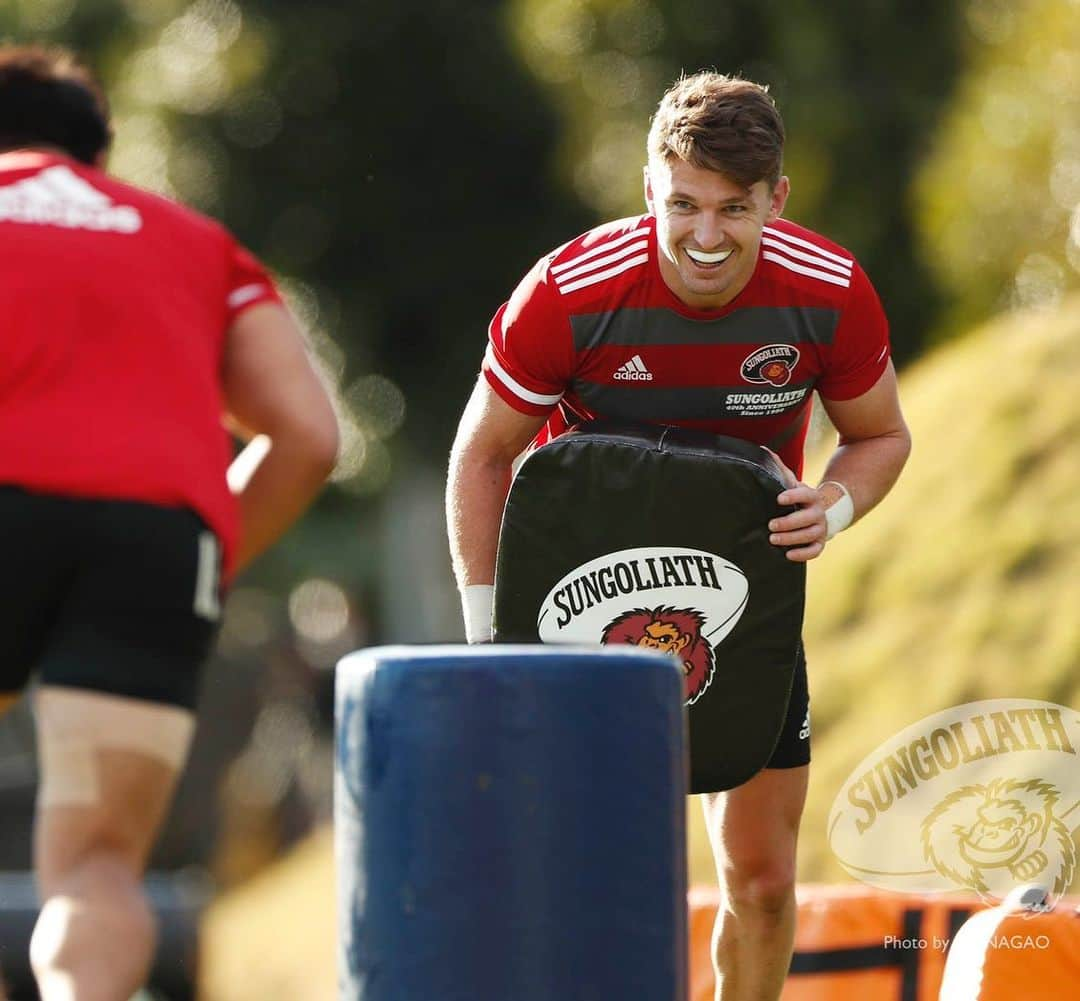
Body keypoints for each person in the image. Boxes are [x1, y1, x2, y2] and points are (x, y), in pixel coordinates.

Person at [446, 71, 911, 1001]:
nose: (706, 236)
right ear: (648, 187)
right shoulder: (570, 291)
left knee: (766, 883)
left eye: (735, 209)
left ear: (776, 198)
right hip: (574, 612)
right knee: (599, 874)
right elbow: (480, 457)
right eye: (685, 204)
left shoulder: (829, 291)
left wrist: (837, 503)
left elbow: (880, 434)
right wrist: (492, 641)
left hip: (742, 604)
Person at [0, 44, 339, 1001]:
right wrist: (199, 561)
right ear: (94, 154)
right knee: (96, 865)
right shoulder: (193, 241)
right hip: (153, 537)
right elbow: (309, 436)